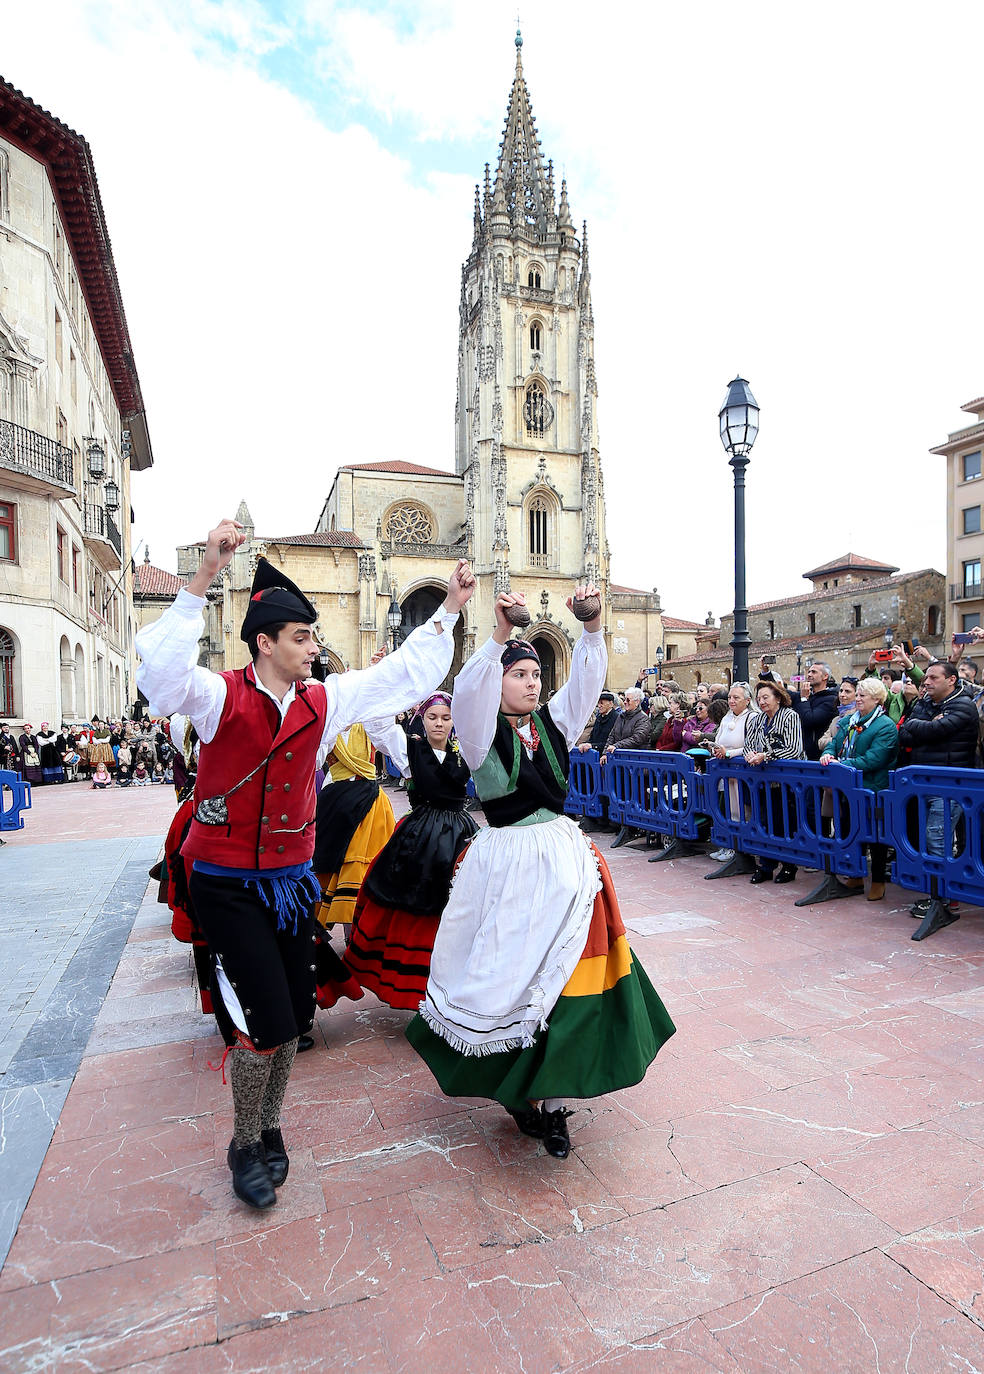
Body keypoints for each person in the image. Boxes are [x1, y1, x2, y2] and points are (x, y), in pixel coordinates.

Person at [135, 517, 475, 1210]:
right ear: (265, 643)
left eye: (314, 637)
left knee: (292, 1012)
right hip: (226, 883)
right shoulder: (216, 695)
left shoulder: (324, 701)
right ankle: (243, 1141)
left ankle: (270, 1123)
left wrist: (449, 611)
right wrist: (203, 577)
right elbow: (161, 678)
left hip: (290, 884)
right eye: (302, 637)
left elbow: (398, 675)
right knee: (264, 1016)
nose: (314, 648)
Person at [406, 585, 675, 1162]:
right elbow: (471, 689)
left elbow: (585, 682)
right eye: (519, 673)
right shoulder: (478, 734)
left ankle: (553, 1105)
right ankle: (518, 1086)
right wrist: (498, 634)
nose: (531, 681)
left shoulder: (555, 721)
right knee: (513, 976)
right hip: (506, 865)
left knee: (564, 980)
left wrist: (595, 627)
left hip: (563, 862)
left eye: (534, 672)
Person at [344, 692, 479, 1009]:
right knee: (415, 901)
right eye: (433, 717)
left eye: (446, 718)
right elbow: (378, 726)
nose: (439, 723)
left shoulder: (465, 751)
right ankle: (416, 983)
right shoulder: (411, 749)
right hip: (421, 838)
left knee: (459, 905)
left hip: (461, 834)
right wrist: (383, 681)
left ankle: (456, 982)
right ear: (423, 718)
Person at [897, 660, 980, 936]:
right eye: (926, 678)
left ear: (951, 681)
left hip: (951, 785)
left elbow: (935, 731)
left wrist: (925, 727)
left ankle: (943, 897)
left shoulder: (963, 705)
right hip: (924, 783)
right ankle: (938, 893)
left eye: (933, 678)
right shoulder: (926, 702)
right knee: (927, 839)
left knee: (937, 838)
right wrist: (925, 725)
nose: (926, 682)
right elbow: (906, 730)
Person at [819, 678, 899, 900]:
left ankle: (878, 880)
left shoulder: (885, 726)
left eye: (864, 695)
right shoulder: (849, 721)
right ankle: (854, 873)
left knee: (875, 837)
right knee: (849, 830)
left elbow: (875, 759)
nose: (858, 698)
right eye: (859, 694)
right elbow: (835, 743)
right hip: (847, 788)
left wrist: (841, 764)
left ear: (877, 699)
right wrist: (828, 754)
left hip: (873, 789)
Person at [744, 680, 807, 885]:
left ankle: (789, 865)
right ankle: (766, 865)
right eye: (759, 698)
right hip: (763, 780)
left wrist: (766, 755)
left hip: (787, 781)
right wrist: (750, 755)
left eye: (766, 697)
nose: (762, 702)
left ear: (778, 698)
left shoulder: (790, 716)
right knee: (764, 821)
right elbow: (748, 744)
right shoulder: (756, 720)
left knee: (785, 822)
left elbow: (794, 749)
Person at [705, 682, 758, 874]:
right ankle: (729, 844)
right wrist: (715, 748)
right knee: (728, 809)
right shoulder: (727, 718)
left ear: (747, 700)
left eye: (736, 698)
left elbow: (752, 746)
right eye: (730, 698)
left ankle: (742, 848)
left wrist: (729, 753)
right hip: (724, 772)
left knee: (742, 810)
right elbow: (719, 739)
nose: (732, 701)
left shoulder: (752, 718)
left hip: (742, 771)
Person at [604, 686, 654, 849]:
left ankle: (636, 826)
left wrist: (617, 746)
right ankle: (625, 824)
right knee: (623, 793)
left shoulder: (643, 718)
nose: (624, 702)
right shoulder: (621, 717)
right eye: (624, 699)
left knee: (636, 794)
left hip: (637, 764)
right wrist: (605, 752)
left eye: (628, 700)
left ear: (637, 701)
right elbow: (611, 735)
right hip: (621, 765)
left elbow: (638, 737)